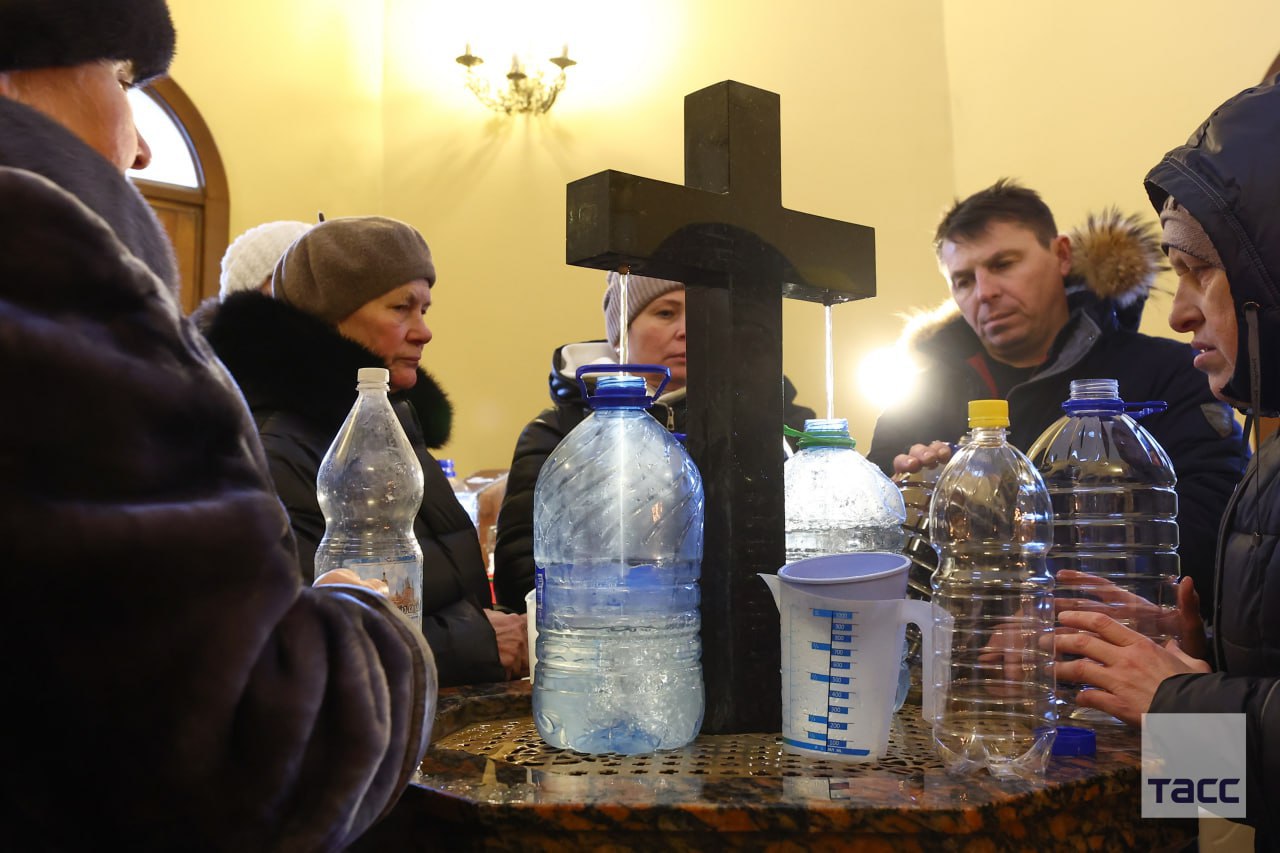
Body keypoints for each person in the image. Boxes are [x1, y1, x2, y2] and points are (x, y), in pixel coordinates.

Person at [0, 2, 434, 849]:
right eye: (123, 78)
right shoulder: (42, 279)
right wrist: (373, 613)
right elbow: (249, 758)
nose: (140, 146)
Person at [1055, 76, 1278, 848]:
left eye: (1200, 270)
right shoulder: (1271, 457)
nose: (1180, 312)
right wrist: (1200, 657)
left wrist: (1175, 700)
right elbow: (1247, 800)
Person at [867, 182, 1248, 616]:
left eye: (1003, 264)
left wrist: (1028, 558)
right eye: (963, 280)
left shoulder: (1171, 372)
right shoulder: (917, 400)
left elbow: (1218, 523)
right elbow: (870, 555)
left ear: (1062, 255)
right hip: (953, 643)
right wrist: (901, 503)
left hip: (1115, 635)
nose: (985, 292)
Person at [205, 216, 527, 685]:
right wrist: (476, 642)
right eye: (401, 308)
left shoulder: (392, 425)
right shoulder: (278, 453)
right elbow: (296, 638)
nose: (423, 331)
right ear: (328, 318)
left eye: (424, 310)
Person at [492, 272, 816, 611]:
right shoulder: (559, 434)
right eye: (665, 313)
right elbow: (521, 570)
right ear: (620, 335)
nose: (686, 329)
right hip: (614, 629)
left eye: (702, 313)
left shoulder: (779, 426)